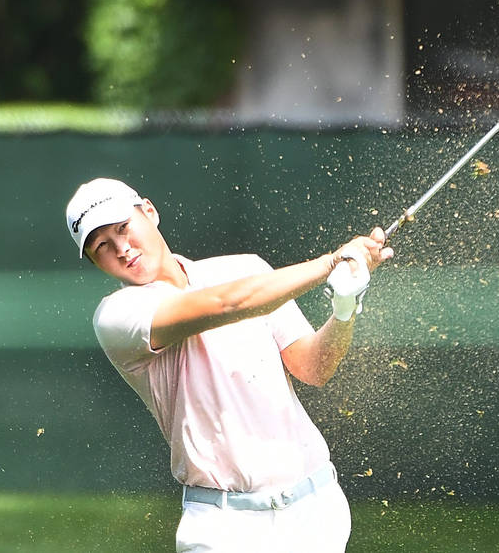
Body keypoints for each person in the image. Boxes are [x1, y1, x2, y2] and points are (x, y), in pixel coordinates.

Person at [65, 177, 393, 552]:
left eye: (123, 228)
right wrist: (332, 261)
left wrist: (345, 309)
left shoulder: (245, 268)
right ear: (94, 262)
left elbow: (313, 367)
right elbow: (228, 304)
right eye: (102, 246)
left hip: (316, 508)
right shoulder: (118, 316)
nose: (121, 248)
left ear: (150, 213)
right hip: (224, 528)